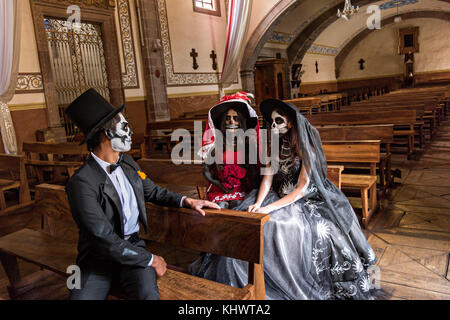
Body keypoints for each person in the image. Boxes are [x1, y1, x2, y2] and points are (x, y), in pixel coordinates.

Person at [189, 98, 379, 300]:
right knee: (248, 221)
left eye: (278, 121)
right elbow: (267, 180)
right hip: (277, 195)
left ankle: (279, 279)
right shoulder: (277, 147)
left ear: (290, 123)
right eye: (271, 122)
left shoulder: (307, 149)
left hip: (306, 200)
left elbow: (300, 190)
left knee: (282, 226)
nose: (273, 126)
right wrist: (259, 203)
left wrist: (269, 209)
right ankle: (249, 278)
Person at [65, 89, 220, 300]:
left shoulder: (128, 162)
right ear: (107, 134)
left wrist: (186, 200)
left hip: (133, 250)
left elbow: (153, 191)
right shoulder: (81, 182)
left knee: (148, 296)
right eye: (125, 127)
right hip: (96, 260)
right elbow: (103, 238)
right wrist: (151, 259)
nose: (130, 132)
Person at [198, 92, 260, 209]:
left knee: (238, 205)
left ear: (241, 121)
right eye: (228, 118)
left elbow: (253, 170)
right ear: (223, 121)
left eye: (235, 118)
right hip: (220, 188)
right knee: (220, 206)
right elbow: (206, 170)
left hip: (242, 189)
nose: (231, 121)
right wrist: (220, 184)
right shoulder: (216, 143)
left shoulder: (248, 144)